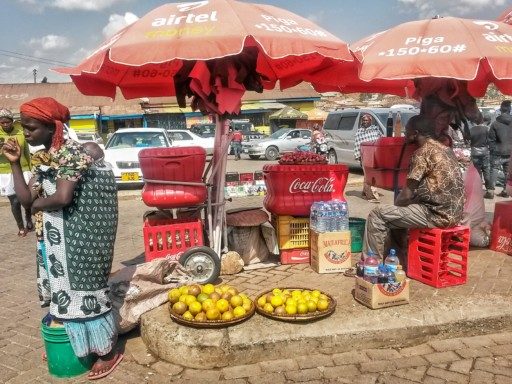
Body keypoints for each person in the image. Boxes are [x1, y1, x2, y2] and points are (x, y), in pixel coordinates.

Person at [2, 97, 122, 380]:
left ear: (51, 127)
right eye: (24, 127)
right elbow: (24, 198)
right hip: (55, 241)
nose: (26, 133)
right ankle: (77, 345)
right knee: (63, 292)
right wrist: (16, 164)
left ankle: (107, 351)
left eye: (31, 127)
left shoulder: (71, 153)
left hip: (80, 241)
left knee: (86, 292)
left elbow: (62, 198)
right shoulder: (44, 157)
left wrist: (36, 204)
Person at [362, 115, 465, 262]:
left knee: (378, 214)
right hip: (455, 213)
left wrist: (396, 209)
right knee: (397, 214)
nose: (404, 135)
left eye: (407, 131)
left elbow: (406, 194)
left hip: (436, 215)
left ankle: (370, 264)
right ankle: (399, 258)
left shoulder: (421, 153)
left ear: (415, 133)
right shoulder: (446, 150)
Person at [0, 108, 34, 237]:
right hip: (5, 172)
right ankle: (20, 226)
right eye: (2, 123)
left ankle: (29, 219)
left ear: (12, 121)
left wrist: (31, 169)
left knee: (26, 198)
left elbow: (26, 152)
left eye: (7, 122)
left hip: (23, 169)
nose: (5, 124)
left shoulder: (20, 132)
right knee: (14, 201)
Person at [354, 114, 383, 202]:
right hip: (364, 156)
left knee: (371, 175)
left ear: (371, 121)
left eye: (367, 120)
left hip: (374, 156)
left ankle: (366, 193)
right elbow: (357, 145)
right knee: (368, 175)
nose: (365, 122)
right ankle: (371, 196)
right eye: (364, 120)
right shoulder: (359, 132)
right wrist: (359, 157)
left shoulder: (376, 131)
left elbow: (380, 142)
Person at [488, 100, 512, 198]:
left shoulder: (495, 124)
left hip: (498, 152)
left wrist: (493, 150)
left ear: (501, 110)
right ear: (510, 110)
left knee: (494, 169)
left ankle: (490, 192)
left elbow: (491, 139)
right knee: (507, 172)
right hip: (510, 152)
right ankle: (505, 190)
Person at [469, 112, 493, 199]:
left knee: (477, 171)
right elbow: (490, 141)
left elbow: (469, 141)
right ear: (489, 121)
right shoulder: (488, 129)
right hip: (485, 152)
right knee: (486, 170)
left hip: (474, 152)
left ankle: (478, 189)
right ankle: (489, 189)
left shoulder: (472, 129)